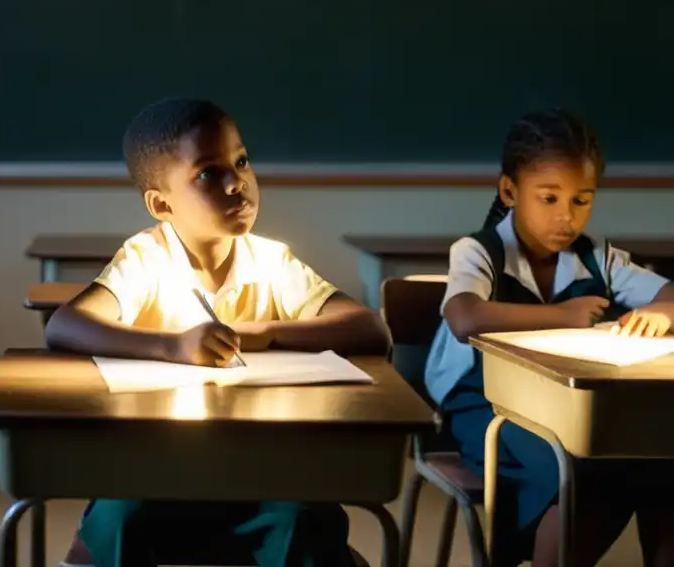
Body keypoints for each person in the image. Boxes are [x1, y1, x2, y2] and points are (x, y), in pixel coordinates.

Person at [46, 96, 390, 567]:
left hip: (266, 471)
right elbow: (66, 323)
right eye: (208, 173)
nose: (237, 183)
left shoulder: (270, 261)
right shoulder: (148, 258)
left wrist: (263, 333)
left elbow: (369, 329)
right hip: (156, 470)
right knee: (120, 520)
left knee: (302, 523)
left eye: (242, 161)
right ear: (161, 203)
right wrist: (172, 345)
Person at [425, 107, 674, 567]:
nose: (567, 217)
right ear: (509, 191)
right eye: (549, 198)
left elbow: (668, 291)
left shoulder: (598, 258)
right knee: (578, 468)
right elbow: (464, 317)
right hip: (484, 404)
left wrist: (662, 308)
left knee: (656, 462)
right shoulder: (480, 252)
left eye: (582, 201)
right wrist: (559, 315)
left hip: (566, 402)